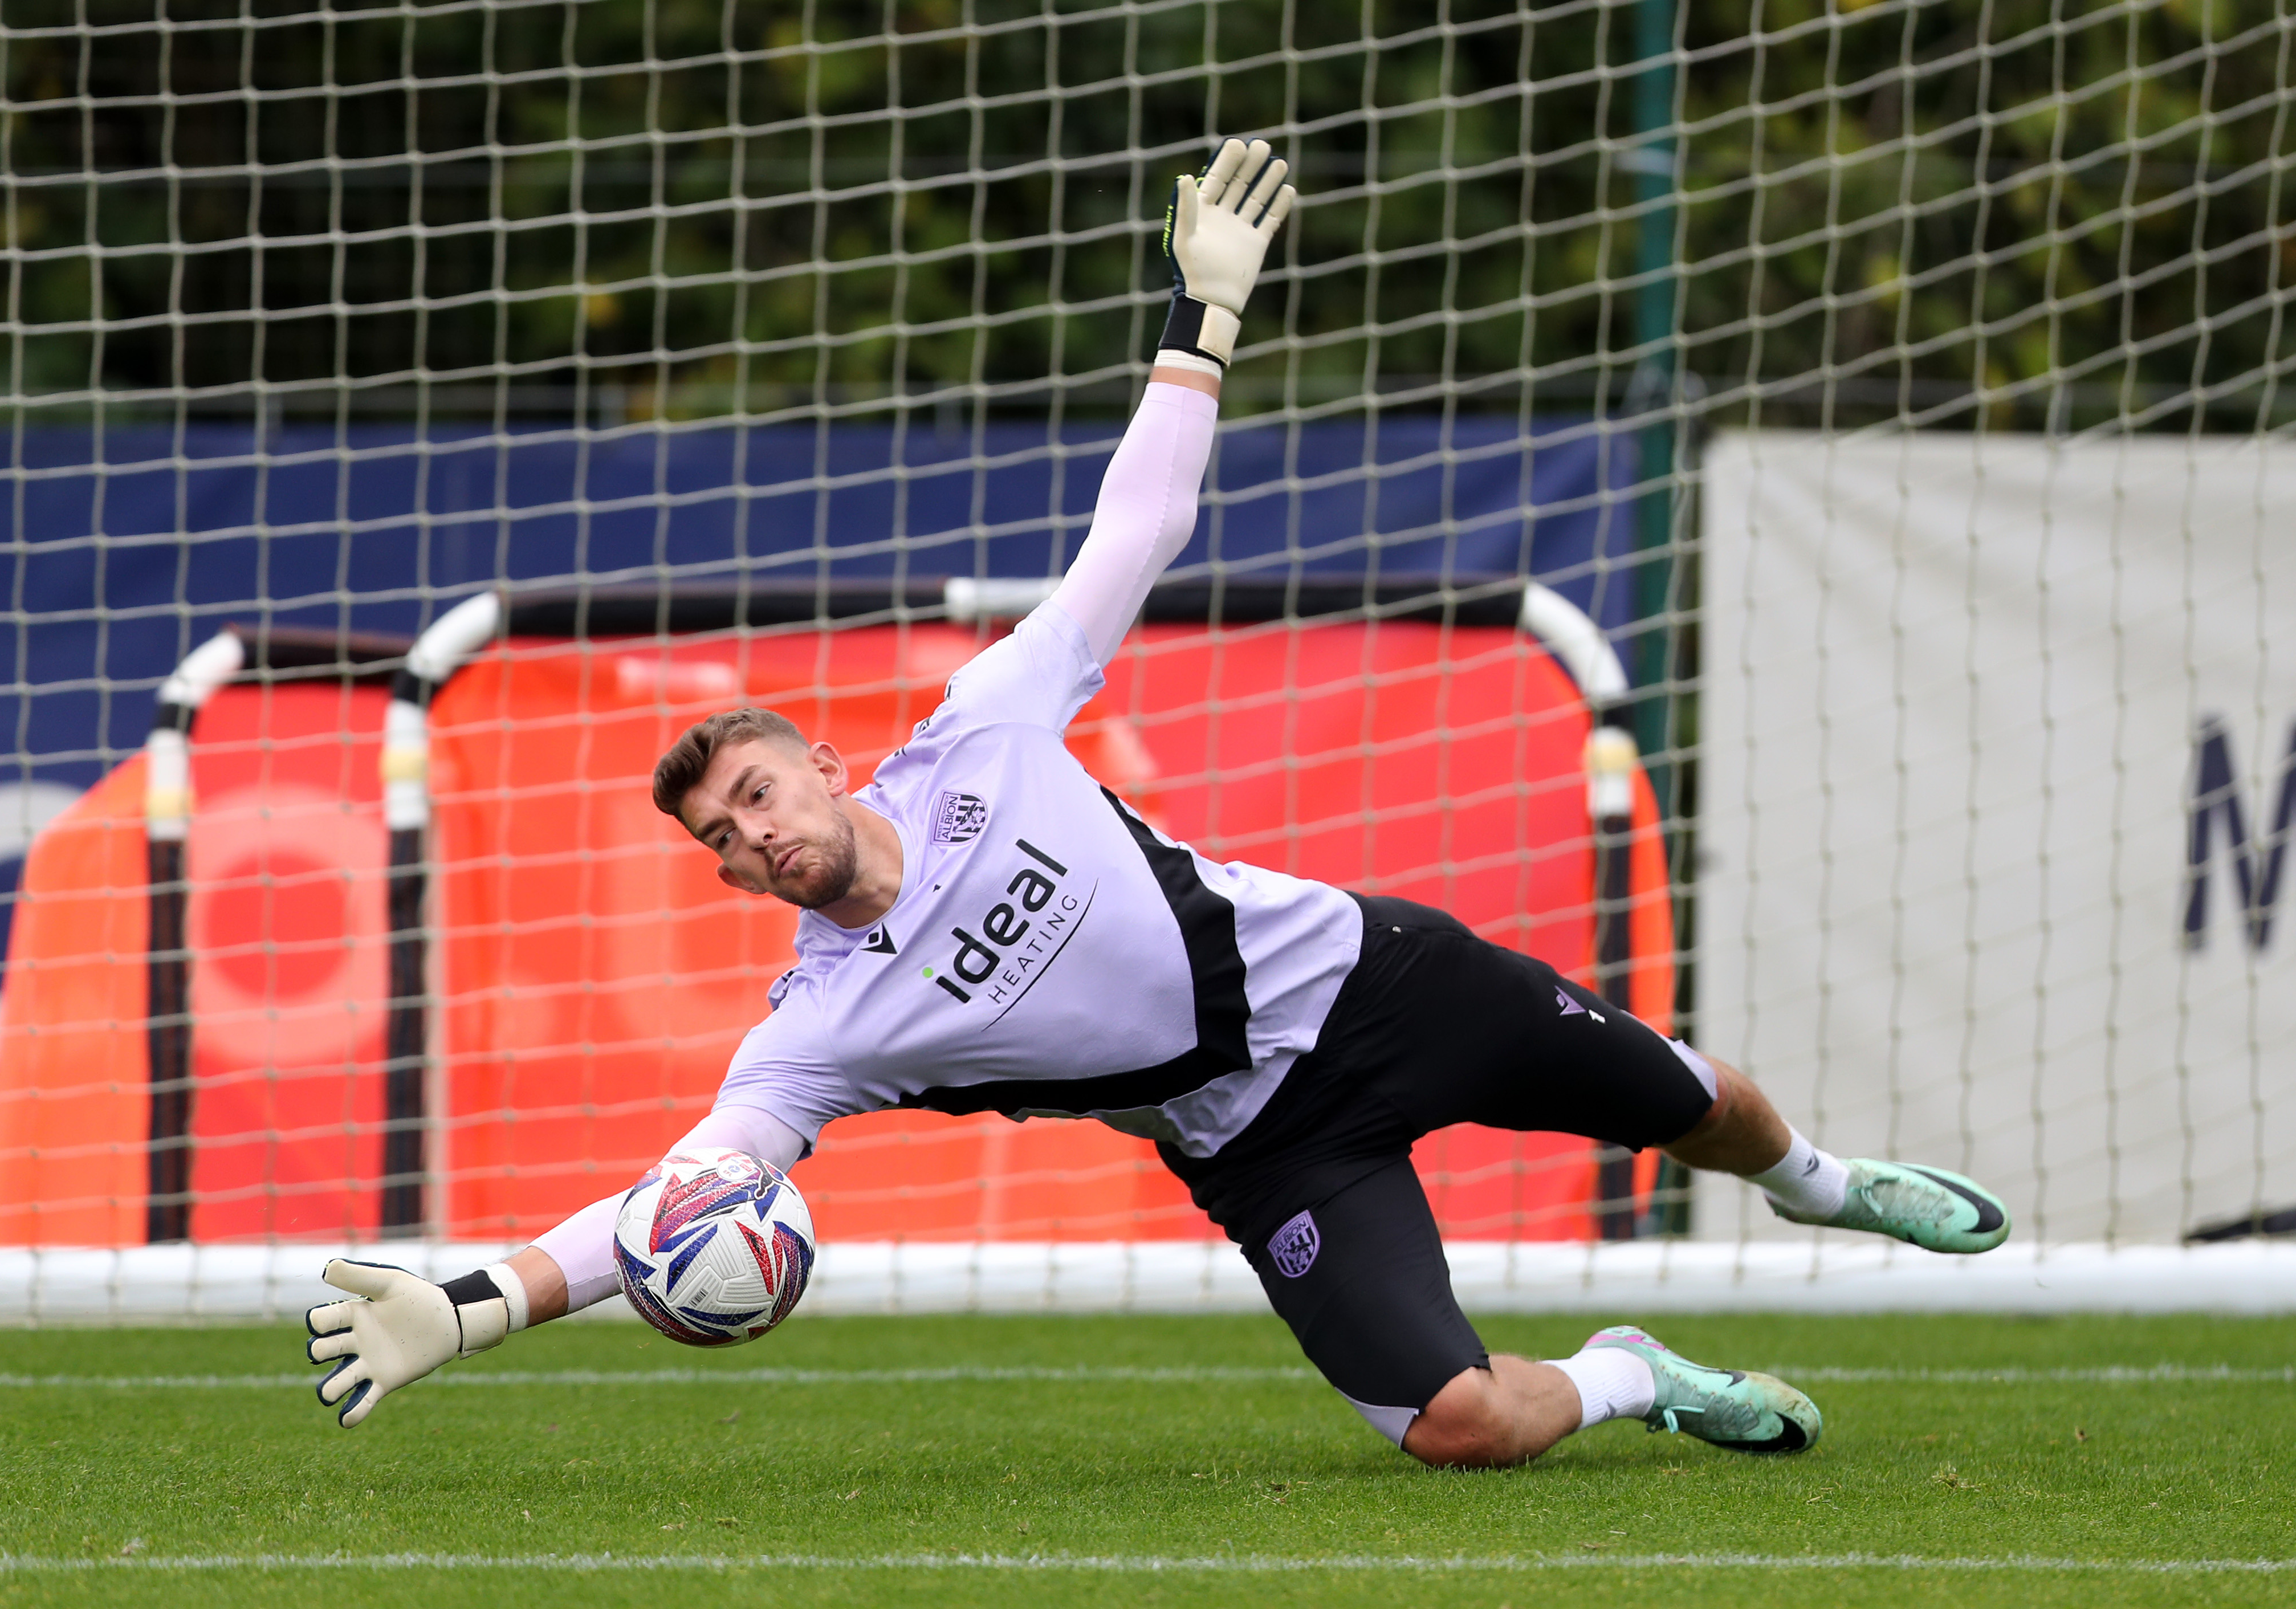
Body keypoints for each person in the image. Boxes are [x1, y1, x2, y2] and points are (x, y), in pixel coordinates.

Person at [307, 139, 2010, 1466]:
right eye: (723, 840)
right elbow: (676, 1206)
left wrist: (1202, 324)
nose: (752, 834)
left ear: (823, 761)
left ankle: (1825, 1188)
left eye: (758, 789)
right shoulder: (815, 1032)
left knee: (1693, 1102)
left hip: (1373, 980)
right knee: (1458, 1431)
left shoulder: (978, 729)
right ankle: (1636, 1378)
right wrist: (473, 1309)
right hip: (1260, 1139)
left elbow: (1131, 541)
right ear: (736, 876)